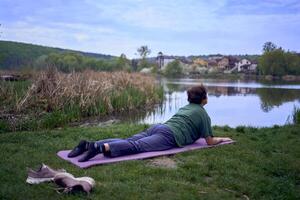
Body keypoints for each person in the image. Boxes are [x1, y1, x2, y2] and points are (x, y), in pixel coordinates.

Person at [68, 85, 232, 162]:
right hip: (169, 135)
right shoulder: (203, 114)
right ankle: (99, 148)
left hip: (158, 128)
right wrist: (222, 138)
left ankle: (88, 144)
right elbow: (209, 142)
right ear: (204, 99)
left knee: (130, 140)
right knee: (136, 146)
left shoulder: (186, 108)